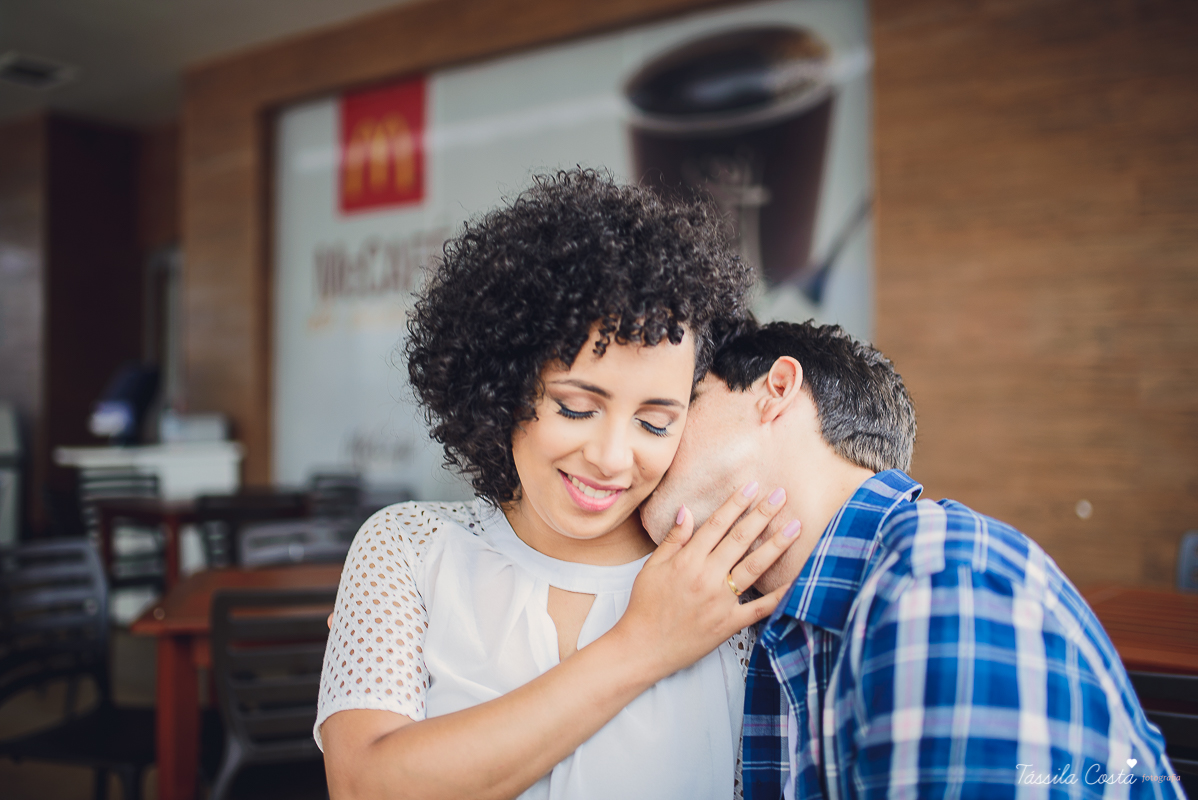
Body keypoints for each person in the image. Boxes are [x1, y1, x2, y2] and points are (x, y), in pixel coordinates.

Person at [316, 170, 805, 800]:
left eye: (656, 421)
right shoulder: (408, 548)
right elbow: (365, 786)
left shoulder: (720, 581)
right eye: (576, 408)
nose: (610, 457)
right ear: (503, 385)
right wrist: (642, 646)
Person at [642, 319, 1183, 800]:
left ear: (776, 390)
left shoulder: (943, 584)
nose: (647, 444)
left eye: (684, 401)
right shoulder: (775, 625)